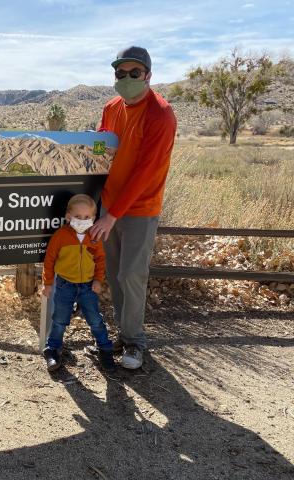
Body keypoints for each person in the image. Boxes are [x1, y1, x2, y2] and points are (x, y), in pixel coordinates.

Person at [88, 46, 177, 369]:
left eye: (134, 73)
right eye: (120, 74)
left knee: (132, 274)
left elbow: (145, 172)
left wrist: (112, 216)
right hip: (109, 204)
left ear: (149, 76)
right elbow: (102, 146)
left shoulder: (161, 115)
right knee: (114, 274)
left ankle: (135, 342)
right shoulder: (111, 107)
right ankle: (123, 336)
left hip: (139, 208)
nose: (126, 79)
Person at [41, 194, 115, 372]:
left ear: (94, 218)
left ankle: (105, 349)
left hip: (88, 286)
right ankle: (52, 350)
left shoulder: (94, 237)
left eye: (87, 217)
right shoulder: (60, 236)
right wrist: (48, 283)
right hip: (64, 284)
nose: (82, 221)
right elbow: (49, 260)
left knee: (95, 319)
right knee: (59, 319)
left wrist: (98, 280)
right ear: (68, 217)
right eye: (78, 217)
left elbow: (100, 260)